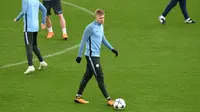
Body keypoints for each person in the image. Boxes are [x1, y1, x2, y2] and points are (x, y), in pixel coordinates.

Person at [74, 9, 119, 106]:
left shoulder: (101, 26)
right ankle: (109, 99)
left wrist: (112, 49)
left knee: (87, 76)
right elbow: (82, 41)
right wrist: (79, 56)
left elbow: (103, 39)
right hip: (91, 56)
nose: (102, 20)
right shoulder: (90, 27)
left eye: (103, 18)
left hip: (96, 56)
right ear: (96, 17)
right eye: (100, 18)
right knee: (100, 76)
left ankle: (78, 97)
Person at [14, 0, 48, 74]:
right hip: (36, 26)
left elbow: (23, 12)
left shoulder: (25, 0)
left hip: (28, 27)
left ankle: (30, 66)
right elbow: (44, 10)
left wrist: (17, 18)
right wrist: (43, 22)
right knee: (34, 45)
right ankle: (42, 62)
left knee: (28, 45)